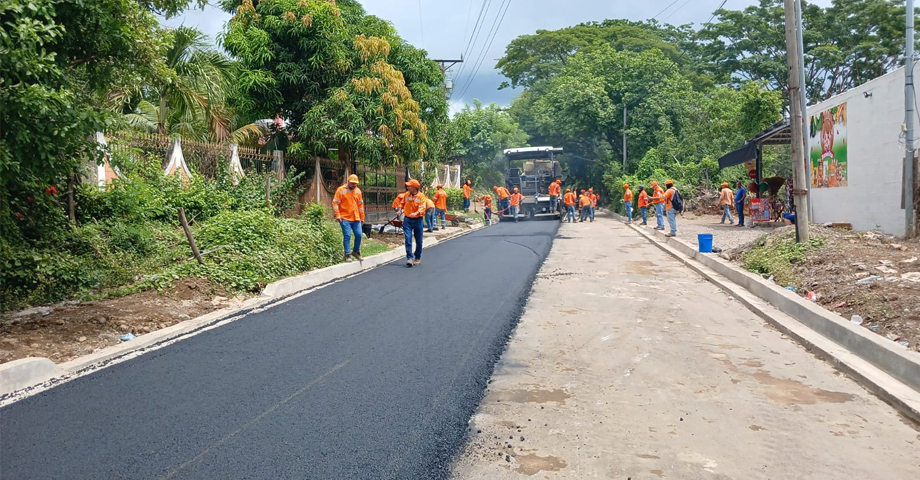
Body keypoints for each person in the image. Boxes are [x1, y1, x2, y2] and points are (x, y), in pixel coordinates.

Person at [333, 174, 365, 262]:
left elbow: (360, 205)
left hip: (356, 218)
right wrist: (338, 215)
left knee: (359, 235)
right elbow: (335, 203)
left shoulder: (358, 191)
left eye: (355, 183)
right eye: (352, 183)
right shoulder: (341, 190)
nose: (354, 185)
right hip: (345, 218)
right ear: (348, 182)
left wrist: (362, 217)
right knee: (347, 235)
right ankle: (347, 254)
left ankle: (355, 251)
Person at [402, 179, 427, 267]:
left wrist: (416, 213)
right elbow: (402, 204)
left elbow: (423, 208)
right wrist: (399, 210)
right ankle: (409, 258)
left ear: (414, 188)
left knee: (419, 241)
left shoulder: (421, 197)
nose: (408, 187)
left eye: (409, 186)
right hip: (407, 220)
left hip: (418, 220)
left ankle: (417, 257)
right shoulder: (406, 195)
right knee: (408, 239)